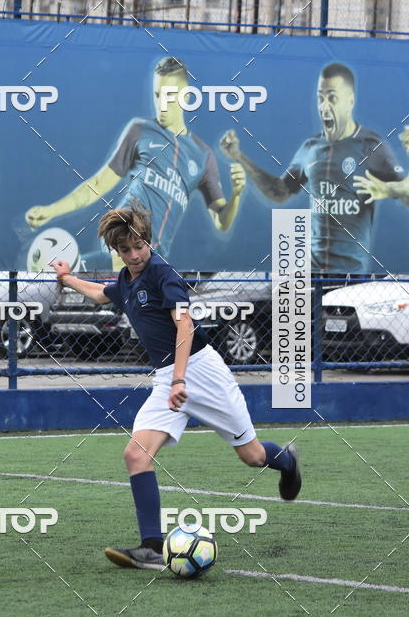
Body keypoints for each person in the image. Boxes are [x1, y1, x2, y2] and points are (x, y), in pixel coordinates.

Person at [50, 202, 301, 571]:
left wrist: (180, 379)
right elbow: (104, 293)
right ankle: (151, 546)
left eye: (140, 247)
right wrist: (67, 278)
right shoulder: (126, 280)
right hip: (168, 378)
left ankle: (288, 461)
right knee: (136, 454)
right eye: (126, 250)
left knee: (252, 457)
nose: (135, 255)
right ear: (116, 252)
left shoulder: (163, 273)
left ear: (149, 242)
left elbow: (184, 327)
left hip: (201, 372)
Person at [26, 56, 246, 269]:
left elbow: (221, 221)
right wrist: (51, 210)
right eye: (157, 94)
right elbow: (98, 185)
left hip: (154, 257)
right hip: (121, 240)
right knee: (102, 273)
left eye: (169, 95)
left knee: (123, 296)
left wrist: (236, 194)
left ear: (186, 97)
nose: (161, 103)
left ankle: (68, 271)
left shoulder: (203, 155)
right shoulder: (140, 129)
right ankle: (64, 270)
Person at [220, 63, 408, 273]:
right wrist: (239, 157)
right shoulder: (309, 148)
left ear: (350, 102)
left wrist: (389, 189)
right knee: (287, 301)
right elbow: (279, 192)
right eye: (320, 98)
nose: (324, 106)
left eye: (332, 98)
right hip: (309, 275)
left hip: (349, 276)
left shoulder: (371, 146)